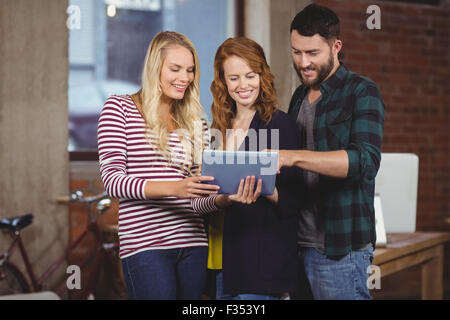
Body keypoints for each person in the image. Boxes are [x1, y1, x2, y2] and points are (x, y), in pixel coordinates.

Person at [97, 31, 257, 300]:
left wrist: (226, 198)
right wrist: (176, 187)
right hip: (145, 247)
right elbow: (113, 181)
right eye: (175, 69)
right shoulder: (119, 109)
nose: (184, 78)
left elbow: (196, 198)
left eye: (190, 70)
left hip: (193, 245)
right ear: (154, 67)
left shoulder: (197, 121)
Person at [276, 4, 386, 300]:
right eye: (297, 52)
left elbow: (364, 161)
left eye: (313, 53)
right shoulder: (299, 96)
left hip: (341, 248)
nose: (303, 62)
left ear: (335, 46)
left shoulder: (362, 91)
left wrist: (292, 156)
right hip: (298, 242)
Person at [208, 37, 302, 300]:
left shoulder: (280, 124)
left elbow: (295, 201)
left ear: (262, 75)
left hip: (263, 261)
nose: (243, 85)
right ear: (223, 82)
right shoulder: (218, 127)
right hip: (222, 256)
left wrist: (263, 188)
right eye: (234, 78)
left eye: (250, 75)